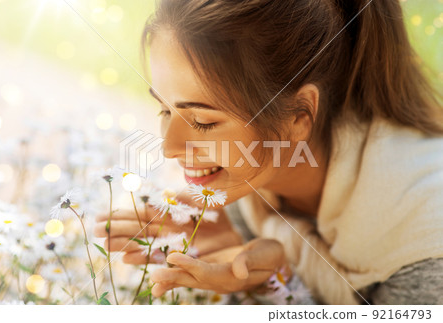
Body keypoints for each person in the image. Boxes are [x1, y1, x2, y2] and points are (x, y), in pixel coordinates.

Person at [94, 0, 443, 304]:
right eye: (165, 111)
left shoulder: (427, 236)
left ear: (298, 117)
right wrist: (264, 270)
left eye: (202, 121)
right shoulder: (253, 189)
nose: (168, 148)